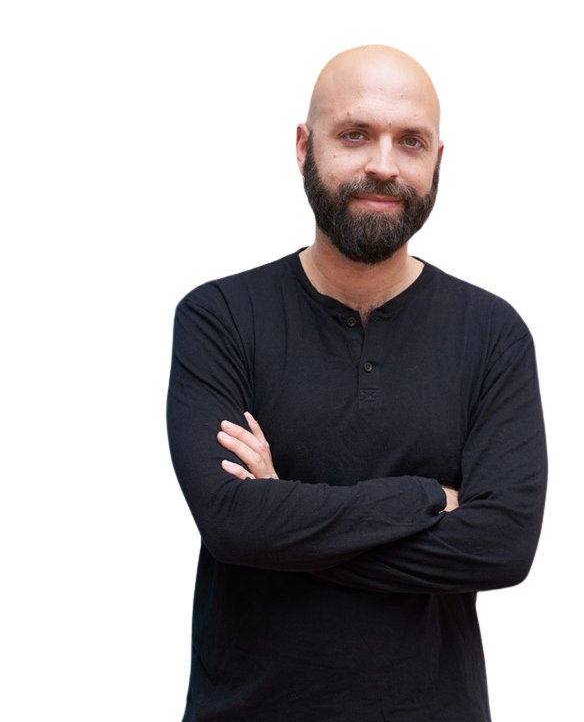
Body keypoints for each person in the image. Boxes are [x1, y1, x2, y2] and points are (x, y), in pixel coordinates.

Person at [168, 44, 547, 721]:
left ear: (437, 160)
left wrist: (281, 514)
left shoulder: (495, 332)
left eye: (411, 142)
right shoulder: (219, 316)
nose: (383, 164)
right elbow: (231, 526)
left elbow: (503, 549)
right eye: (355, 134)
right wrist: (427, 498)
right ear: (302, 147)